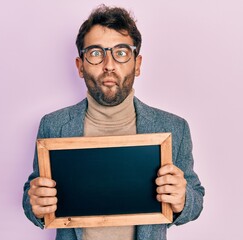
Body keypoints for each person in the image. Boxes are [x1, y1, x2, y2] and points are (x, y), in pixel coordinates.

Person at [23, 5, 204, 240]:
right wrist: (35, 204)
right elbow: (34, 194)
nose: (109, 65)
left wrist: (183, 198)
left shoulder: (173, 127)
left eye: (121, 52)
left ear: (137, 64)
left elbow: (196, 200)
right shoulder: (54, 125)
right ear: (80, 66)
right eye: (96, 53)